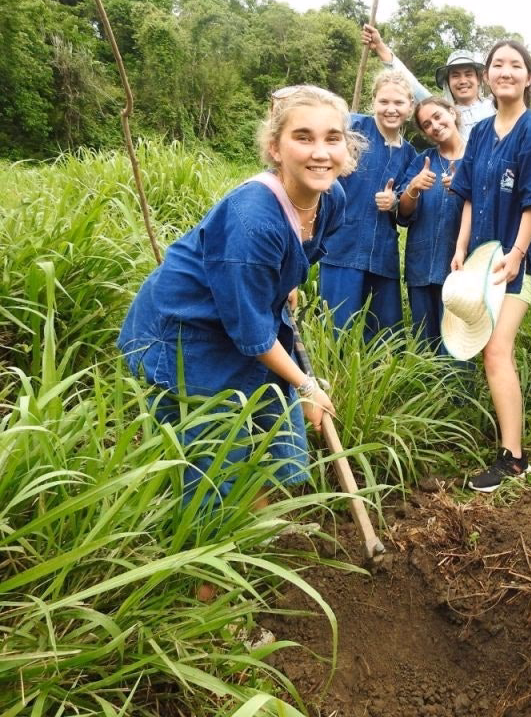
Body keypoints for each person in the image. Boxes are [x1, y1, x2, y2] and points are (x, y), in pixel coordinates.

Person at [117, 85, 361, 511]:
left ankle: (255, 527)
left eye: (332, 138)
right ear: (275, 148)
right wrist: (305, 386)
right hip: (188, 332)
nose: (320, 152)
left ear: (347, 148)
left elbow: (301, 249)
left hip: (244, 315)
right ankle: (208, 547)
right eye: (303, 137)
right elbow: (252, 333)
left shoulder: (332, 198)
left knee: (270, 430)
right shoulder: (253, 220)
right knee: (211, 453)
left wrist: (286, 281)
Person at [447, 39, 531, 492]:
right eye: (498, 64)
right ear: (488, 77)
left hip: (516, 260)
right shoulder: (479, 132)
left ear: (529, 77)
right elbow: (467, 194)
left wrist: (517, 254)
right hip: (480, 258)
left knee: (496, 350)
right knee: (494, 354)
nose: (506, 71)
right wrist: (460, 247)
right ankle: (512, 448)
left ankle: (513, 458)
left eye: (516, 65)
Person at [319, 71, 417, 341]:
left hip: (382, 254)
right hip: (341, 245)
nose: (391, 109)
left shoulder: (410, 154)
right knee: (336, 330)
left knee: (386, 337)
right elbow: (316, 145)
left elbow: (406, 209)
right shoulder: (351, 127)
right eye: (384, 101)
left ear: (410, 106)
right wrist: (336, 160)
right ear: (373, 101)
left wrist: (394, 201)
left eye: (398, 103)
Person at [361, 25, 531, 139]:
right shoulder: (443, 114)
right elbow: (413, 85)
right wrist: (381, 47)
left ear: (480, 78)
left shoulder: (497, 105)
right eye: (455, 75)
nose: (463, 81)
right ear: (448, 82)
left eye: (468, 74)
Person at [395, 96, 466, 352]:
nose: (434, 126)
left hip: (460, 268)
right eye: (427, 124)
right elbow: (403, 213)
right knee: (425, 348)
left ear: (452, 113)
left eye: (437, 116)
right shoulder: (422, 161)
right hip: (422, 265)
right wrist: (413, 187)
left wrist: (462, 189)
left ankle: (458, 382)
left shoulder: (476, 157)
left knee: (457, 347)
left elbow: (487, 211)